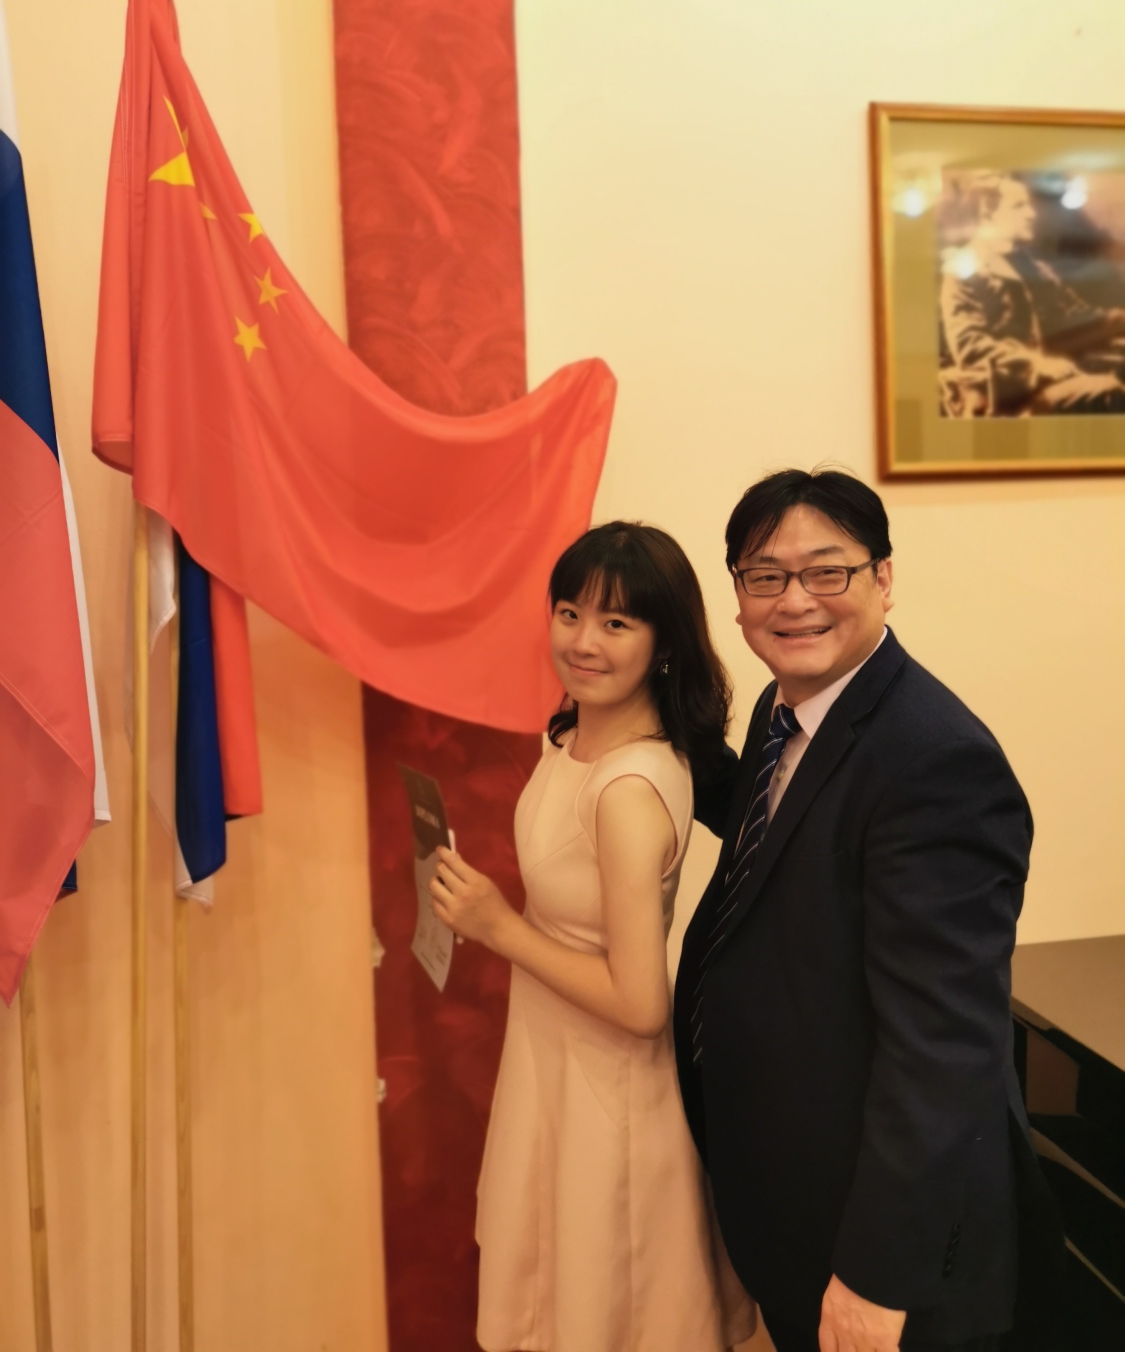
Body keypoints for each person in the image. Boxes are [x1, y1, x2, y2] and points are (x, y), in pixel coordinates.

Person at [673, 468, 1063, 1352]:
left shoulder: (936, 763)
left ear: (883, 578)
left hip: (888, 1255)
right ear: (737, 594)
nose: (794, 601)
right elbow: (779, 834)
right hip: (798, 1199)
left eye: (827, 571)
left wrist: (876, 1278)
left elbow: (942, 1051)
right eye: (765, 576)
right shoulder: (790, 710)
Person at [429, 521, 755, 1352]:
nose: (582, 642)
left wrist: (498, 927)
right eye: (569, 613)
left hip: (609, 1095)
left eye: (615, 623)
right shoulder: (571, 736)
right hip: (551, 1062)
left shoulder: (626, 791)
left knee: (603, 1315)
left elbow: (640, 1005)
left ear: (664, 643)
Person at [939, 172, 1125, 415]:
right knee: (1109, 391)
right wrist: (1036, 364)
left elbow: (1075, 314)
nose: (1031, 214)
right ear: (988, 213)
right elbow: (970, 347)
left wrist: (1119, 322)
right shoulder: (964, 268)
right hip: (1006, 396)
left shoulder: (1028, 264)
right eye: (1018, 206)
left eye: (1028, 205)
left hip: (1048, 381)